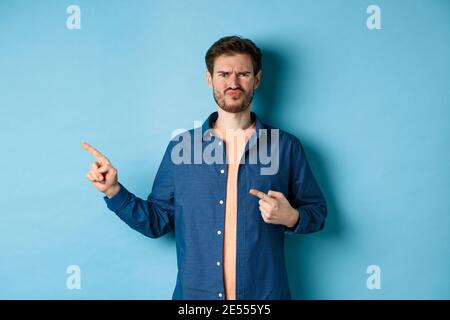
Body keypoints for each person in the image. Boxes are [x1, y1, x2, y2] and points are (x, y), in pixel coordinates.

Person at [82, 35, 327, 300]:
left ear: (256, 80)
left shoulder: (285, 147)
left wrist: (291, 217)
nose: (233, 83)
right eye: (223, 74)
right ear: (209, 79)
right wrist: (113, 191)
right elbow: (156, 222)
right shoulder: (181, 149)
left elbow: (317, 212)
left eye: (243, 73)